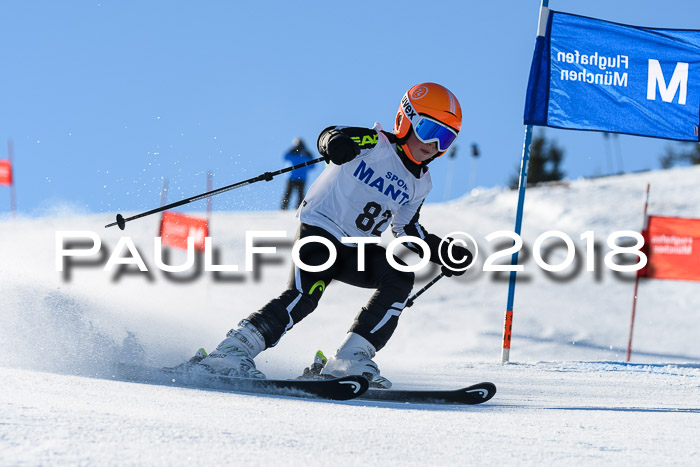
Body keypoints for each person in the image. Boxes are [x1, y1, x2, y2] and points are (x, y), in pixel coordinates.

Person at [197, 83, 473, 388]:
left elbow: (406, 229)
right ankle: (231, 351)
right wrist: (336, 144)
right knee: (305, 296)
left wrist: (441, 250)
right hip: (321, 230)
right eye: (428, 129)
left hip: (356, 248)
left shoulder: (421, 182)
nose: (433, 143)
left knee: (399, 276)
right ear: (406, 118)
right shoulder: (374, 142)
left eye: (445, 137)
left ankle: (350, 360)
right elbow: (329, 135)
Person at [280, 138, 315, 210]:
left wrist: (309, 156)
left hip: (299, 177)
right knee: (289, 193)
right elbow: (285, 157)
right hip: (294, 177)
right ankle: (284, 209)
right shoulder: (294, 153)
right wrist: (292, 150)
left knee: (299, 195)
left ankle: (298, 209)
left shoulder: (305, 154)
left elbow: (312, 166)